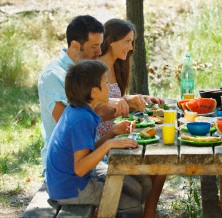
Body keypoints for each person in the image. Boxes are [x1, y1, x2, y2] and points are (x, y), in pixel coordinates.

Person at [46, 60, 148, 216]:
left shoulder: (81, 111)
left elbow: (88, 152)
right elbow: (80, 169)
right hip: (70, 188)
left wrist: (112, 132)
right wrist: (110, 144)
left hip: (67, 181)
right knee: (132, 207)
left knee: (141, 184)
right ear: (94, 92)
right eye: (105, 83)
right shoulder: (81, 118)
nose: (109, 87)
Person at [38, 15, 130, 175]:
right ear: (74, 45)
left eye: (101, 45)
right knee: (129, 181)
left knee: (141, 176)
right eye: (94, 46)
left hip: (92, 153)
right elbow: (68, 125)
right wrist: (108, 103)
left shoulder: (86, 71)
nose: (100, 52)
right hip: (67, 167)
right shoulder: (53, 76)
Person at [97, 18, 166, 217]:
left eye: (132, 42)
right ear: (111, 41)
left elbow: (113, 100)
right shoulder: (95, 69)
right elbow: (94, 109)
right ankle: (142, 212)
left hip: (115, 134)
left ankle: (148, 212)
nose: (131, 47)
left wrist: (135, 99)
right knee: (154, 166)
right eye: (127, 41)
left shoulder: (116, 66)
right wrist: (122, 106)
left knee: (160, 162)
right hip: (100, 142)